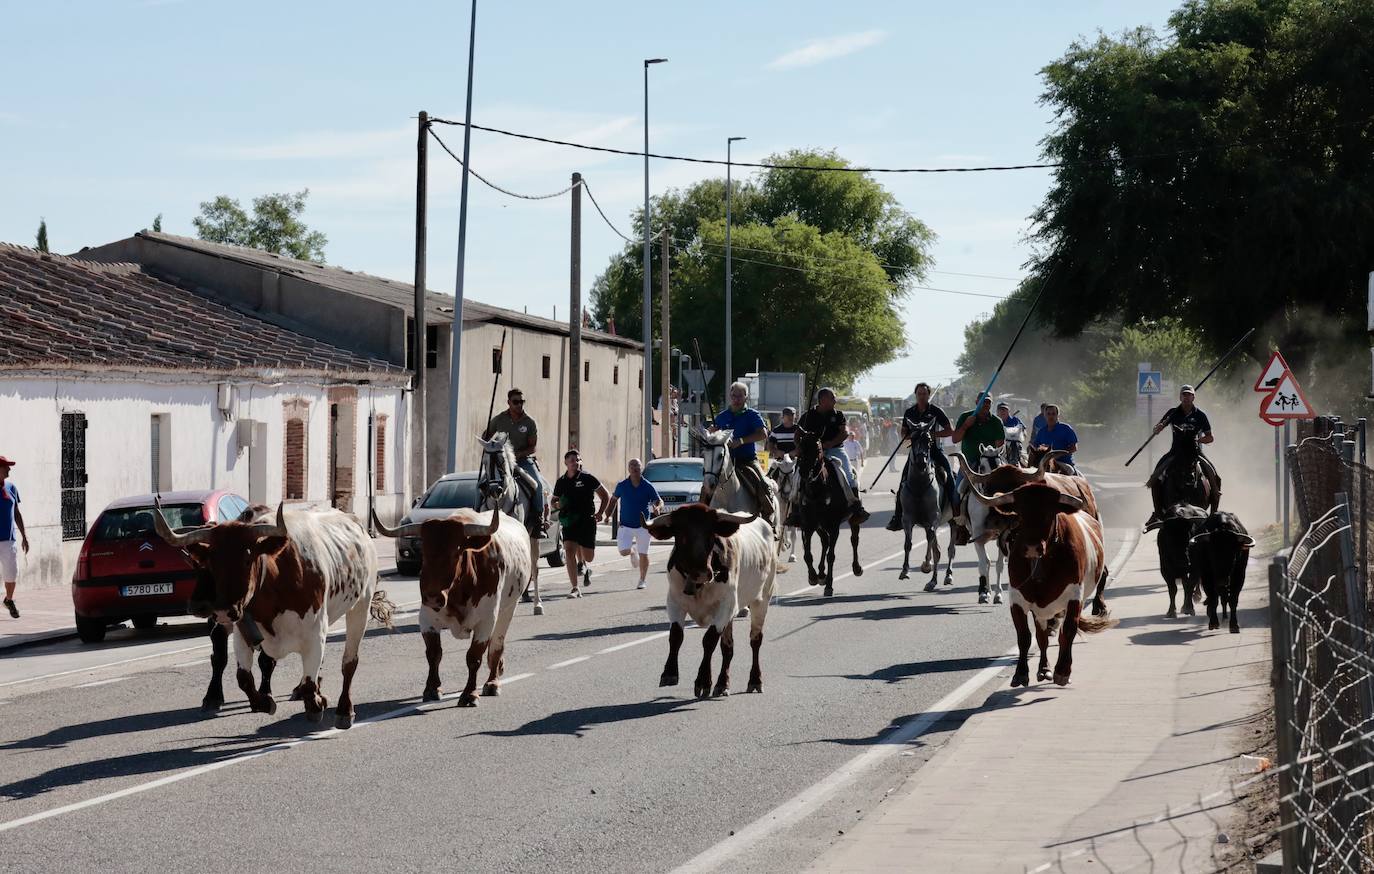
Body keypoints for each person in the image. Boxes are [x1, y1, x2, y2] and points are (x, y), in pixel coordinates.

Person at [1146, 385, 1222, 523]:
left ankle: (1214, 514)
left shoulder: (1200, 415)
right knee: (1155, 478)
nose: (1186, 397)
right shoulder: (1172, 413)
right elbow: (1158, 427)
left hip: (1195, 451)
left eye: (1189, 395)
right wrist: (1157, 428)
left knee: (1215, 476)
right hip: (1175, 451)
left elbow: (1210, 437)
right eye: (1184, 395)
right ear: (1180, 397)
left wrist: (1199, 439)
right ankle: (1157, 513)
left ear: (1193, 397)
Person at [887, 382, 956, 531]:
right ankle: (898, 517)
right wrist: (913, 434)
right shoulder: (909, 412)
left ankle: (956, 510)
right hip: (916, 452)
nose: (922, 396)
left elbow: (950, 430)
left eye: (924, 394)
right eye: (919, 394)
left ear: (928, 395)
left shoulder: (936, 411)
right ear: (916, 395)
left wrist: (932, 434)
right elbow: (903, 434)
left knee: (949, 475)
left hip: (934, 451)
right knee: (903, 481)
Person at [797, 388, 871, 523]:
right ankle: (796, 510)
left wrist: (831, 443)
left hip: (836, 450)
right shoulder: (808, 415)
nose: (835, 400)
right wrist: (799, 449)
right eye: (833, 398)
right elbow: (797, 434)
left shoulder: (838, 415)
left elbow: (844, 433)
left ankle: (856, 508)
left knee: (849, 476)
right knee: (798, 475)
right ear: (823, 400)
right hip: (813, 452)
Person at [483, 388, 546, 536]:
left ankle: (539, 521)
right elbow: (487, 435)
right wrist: (487, 443)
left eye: (521, 402)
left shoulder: (529, 422)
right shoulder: (499, 419)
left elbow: (533, 447)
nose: (519, 405)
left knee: (537, 485)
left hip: (523, 461)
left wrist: (517, 455)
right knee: (482, 483)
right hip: (501, 461)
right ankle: (476, 510)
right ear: (509, 403)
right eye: (516, 402)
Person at [711, 382, 774, 523]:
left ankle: (768, 518)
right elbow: (714, 437)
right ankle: (702, 517)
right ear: (730, 396)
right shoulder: (721, 417)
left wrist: (741, 441)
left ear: (746, 397)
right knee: (706, 485)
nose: (736, 399)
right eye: (734, 396)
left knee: (762, 483)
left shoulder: (752, 415)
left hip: (747, 460)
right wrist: (712, 432)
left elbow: (763, 434)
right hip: (725, 462)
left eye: (740, 396)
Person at [551, 449, 609, 597]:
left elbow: (605, 495)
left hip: (587, 521)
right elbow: (553, 501)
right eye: (571, 460)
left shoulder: (588, 478)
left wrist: (600, 513)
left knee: (589, 556)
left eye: (577, 460)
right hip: (569, 521)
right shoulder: (561, 482)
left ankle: (583, 563)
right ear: (565, 463)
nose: (574, 462)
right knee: (569, 550)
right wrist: (558, 505)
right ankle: (575, 588)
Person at [605, 458, 665, 590]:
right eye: (632, 465)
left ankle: (642, 580)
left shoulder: (647, 485)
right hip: (625, 525)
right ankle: (632, 552)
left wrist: (657, 507)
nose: (634, 468)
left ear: (641, 468)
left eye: (637, 465)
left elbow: (659, 501)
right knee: (623, 551)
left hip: (643, 526)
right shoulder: (622, 485)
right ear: (628, 469)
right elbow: (613, 500)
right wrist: (607, 516)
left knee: (644, 553)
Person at [951, 395, 1006, 506]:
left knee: (1007, 488)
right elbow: (955, 439)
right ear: (976, 402)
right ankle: (957, 518)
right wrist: (966, 425)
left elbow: (1000, 446)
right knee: (957, 493)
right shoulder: (965, 417)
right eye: (982, 401)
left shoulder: (996, 421)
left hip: (991, 462)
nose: (985, 404)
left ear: (991, 404)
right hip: (969, 463)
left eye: (988, 402)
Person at [0, 456, 28, 619]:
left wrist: (24, 535)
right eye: (6, 467)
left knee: (12, 572)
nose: (9, 470)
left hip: (8, 539)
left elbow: (16, 512)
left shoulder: (11, 487)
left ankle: (8, 600)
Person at [1034, 404, 1079, 473]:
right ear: (1045, 416)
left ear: (1058, 415)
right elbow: (1036, 447)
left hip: (1063, 463)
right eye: (1048, 414)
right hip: (1044, 464)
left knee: (1070, 471)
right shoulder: (1041, 432)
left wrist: (1058, 455)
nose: (1051, 416)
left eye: (1053, 414)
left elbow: (1074, 448)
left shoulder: (1066, 428)